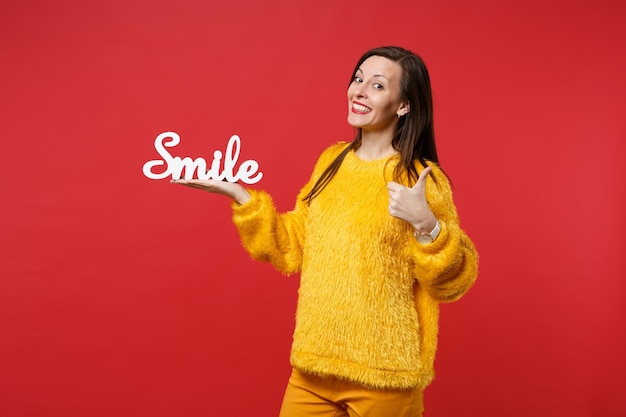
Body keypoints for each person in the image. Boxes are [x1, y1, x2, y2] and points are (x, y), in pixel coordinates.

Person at [172, 46, 478, 417]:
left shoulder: (421, 180)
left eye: (377, 85)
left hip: (383, 374)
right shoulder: (331, 162)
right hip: (313, 367)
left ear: (403, 105)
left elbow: (453, 282)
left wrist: (427, 224)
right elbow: (292, 246)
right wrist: (241, 196)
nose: (359, 90)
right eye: (358, 78)